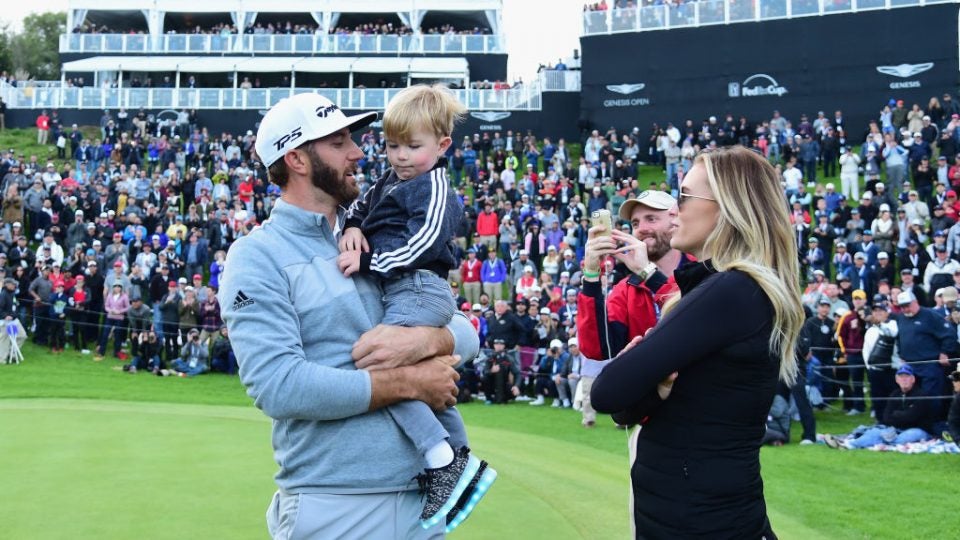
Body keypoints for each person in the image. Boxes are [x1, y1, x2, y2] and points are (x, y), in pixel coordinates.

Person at [220, 92, 482, 539]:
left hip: (422, 503)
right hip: (336, 503)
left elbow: (462, 330)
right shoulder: (257, 256)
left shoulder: (378, 234)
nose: (358, 152)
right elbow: (278, 386)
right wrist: (408, 381)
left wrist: (428, 341)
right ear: (297, 160)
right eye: (339, 142)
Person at [591, 146, 803, 538]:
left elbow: (606, 391)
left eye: (685, 196)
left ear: (727, 207)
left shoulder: (732, 290)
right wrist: (650, 388)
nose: (676, 210)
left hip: (703, 523)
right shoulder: (724, 290)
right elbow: (623, 410)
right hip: (694, 515)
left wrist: (638, 373)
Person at [335, 85, 496, 529]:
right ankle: (459, 459)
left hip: (419, 286)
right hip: (400, 287)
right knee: (420, 379)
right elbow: (360, 206)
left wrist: (369, 261)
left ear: (442, 145)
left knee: (382, 369)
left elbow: (423, 243)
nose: (401, 156)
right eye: (392, 146)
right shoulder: (391, 179)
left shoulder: (436, 186)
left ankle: (441, 459)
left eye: (412, 146)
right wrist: (352, 227)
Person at [577, 190, 690, 362]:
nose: (641, 229)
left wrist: (648, 272)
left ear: (675, 220)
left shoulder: (703, 267)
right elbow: (597, 349)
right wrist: (591, 275)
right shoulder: (626, 289)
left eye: (651, 219)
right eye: (635, 223)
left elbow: (697, 316)